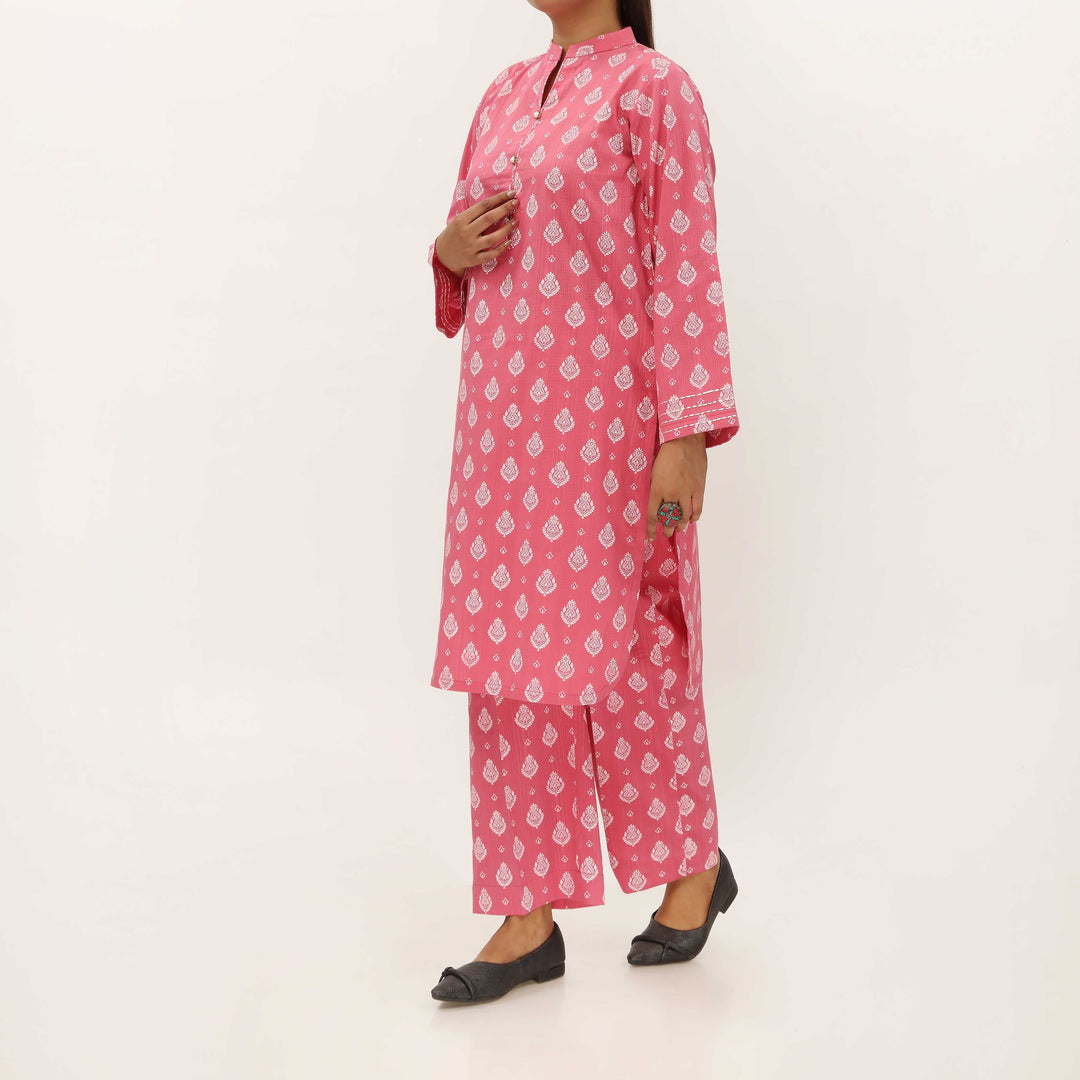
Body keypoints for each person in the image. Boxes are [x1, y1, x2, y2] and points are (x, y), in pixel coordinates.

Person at [425, 0, 741, 1004]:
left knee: (636, 650)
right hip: (502, 430)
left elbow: (684, 265)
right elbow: (466, 260)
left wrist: (685, 434)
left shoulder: (655, 89)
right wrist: (448, 253)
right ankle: (528, 917)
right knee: (506, 659)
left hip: (613, 426)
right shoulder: (503, 94)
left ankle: (691, 867)